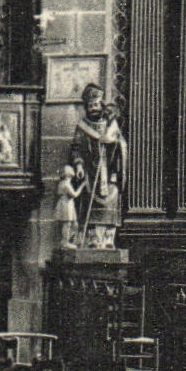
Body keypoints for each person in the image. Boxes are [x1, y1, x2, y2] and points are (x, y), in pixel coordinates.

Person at [69, 83, 127, 250]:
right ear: (86, 107)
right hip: (91, 172)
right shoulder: (82, 127)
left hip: (109, 174)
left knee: (112, 200)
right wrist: (79, 165)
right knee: (89, 202)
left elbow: (121, 146)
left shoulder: (110, 125)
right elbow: (76, 149)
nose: (93, 108)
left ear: (101, 105)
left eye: (96, 104)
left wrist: (113, 143)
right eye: (90, 105)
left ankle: (108, 238)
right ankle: (93, 238)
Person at [54, 163, 85, 250]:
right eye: (71, 170)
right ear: (67, 173)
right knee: (67, 223)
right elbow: (74, 194)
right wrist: (82, 186)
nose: (73, 171)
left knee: (73, 223)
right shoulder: (66, 184)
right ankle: (65, 242)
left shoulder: (64, 183)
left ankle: (71, 240)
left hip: (69, 203)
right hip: (66, 204)